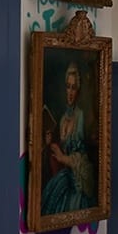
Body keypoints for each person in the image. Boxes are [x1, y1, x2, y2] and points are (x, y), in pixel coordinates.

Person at [41, 61, 96, 216]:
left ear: (78, 91)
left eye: (73, 88)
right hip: (65, 176)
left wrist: (62, 157)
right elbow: (60, 154)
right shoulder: (63, 120)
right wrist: (49, 144)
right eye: (68, 87)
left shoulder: (80, 116)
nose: (70, 92)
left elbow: (82, 158)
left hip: (78, 181)